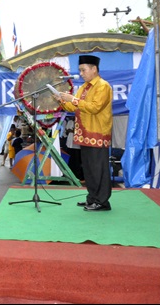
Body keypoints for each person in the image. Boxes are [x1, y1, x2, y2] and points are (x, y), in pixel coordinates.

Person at [57, 54, 113, 212]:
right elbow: (75, 108)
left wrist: (72, 99)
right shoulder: (84, 87)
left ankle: (102, 202)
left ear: (94, 69)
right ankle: (92, 198)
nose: (81, 73)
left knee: (98, 169)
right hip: (84, 134)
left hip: (98, 133)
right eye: (80, 70)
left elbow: (95, 107)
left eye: (83, 70)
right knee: (88, 169)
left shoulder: (103, 86)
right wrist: (62, 100)